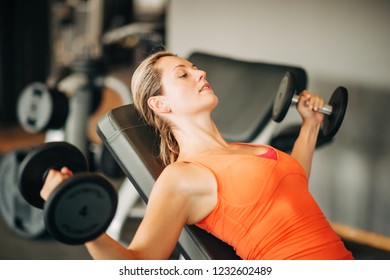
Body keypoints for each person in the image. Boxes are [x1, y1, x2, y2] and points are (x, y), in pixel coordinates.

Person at [41, 50, 354, 260]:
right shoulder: (182, 177)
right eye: (183, 75)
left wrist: (310, 126)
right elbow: (138, 264)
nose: (200, 72)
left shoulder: (244, 150)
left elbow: (291, 184)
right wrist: (81, 219)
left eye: (194, 69)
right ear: (161, 105)